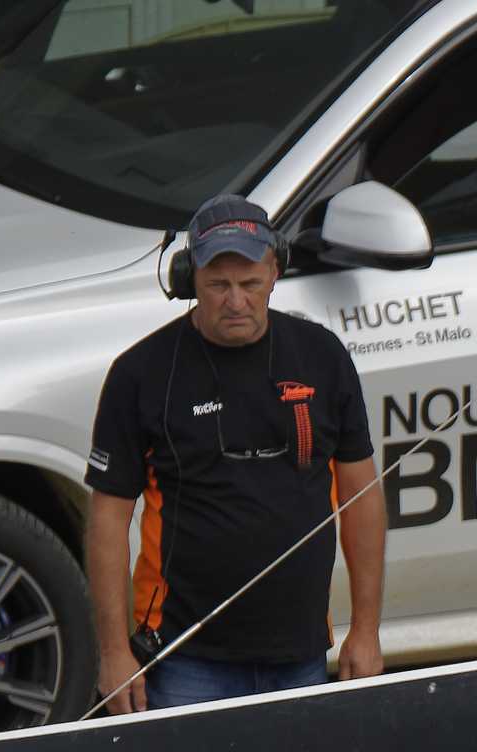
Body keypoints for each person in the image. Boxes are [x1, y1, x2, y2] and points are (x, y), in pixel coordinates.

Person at [85, 195, 384, 712]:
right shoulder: (141, 374)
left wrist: (367, 629)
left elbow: (362, 496)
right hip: (184, 658)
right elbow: (107, 519)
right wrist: (114, 651)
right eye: (217, 286)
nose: (236, 301)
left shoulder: (323, 357)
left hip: (300, 652)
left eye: (249, 283)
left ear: (274, 272)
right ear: (189, 282)